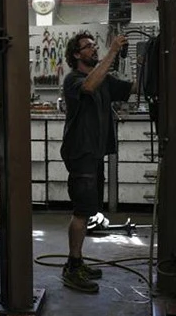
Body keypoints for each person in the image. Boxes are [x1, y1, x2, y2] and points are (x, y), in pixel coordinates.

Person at [59, 31, 140, 293]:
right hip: (80, 152)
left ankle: (78, 262)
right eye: (88, 46)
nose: (93, 49)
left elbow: (133, 88)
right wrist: (112, 51)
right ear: (76, 54)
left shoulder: (103, 79)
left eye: (95, 45)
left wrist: (152, 65)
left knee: (89, 209)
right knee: (81, 211)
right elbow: (90, 85)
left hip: (94, 153)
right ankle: (72, 267)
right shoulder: (73, 80)